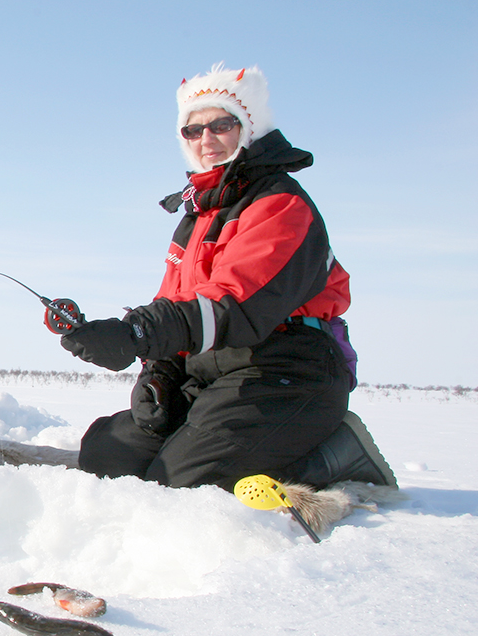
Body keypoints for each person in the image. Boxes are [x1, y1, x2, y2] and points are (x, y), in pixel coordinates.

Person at [60, 64, 395, 491]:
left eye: (222, 124)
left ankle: (335, 455)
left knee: (184, 482)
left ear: (250, 129)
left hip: (286, 368)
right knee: (109, 456)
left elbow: (233, 306)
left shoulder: (279, 204)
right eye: (192, 130)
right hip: (215, 371)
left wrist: (137, 332)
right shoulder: (198, 217)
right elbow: (178, 304)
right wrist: (159, 374)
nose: (206, 139)